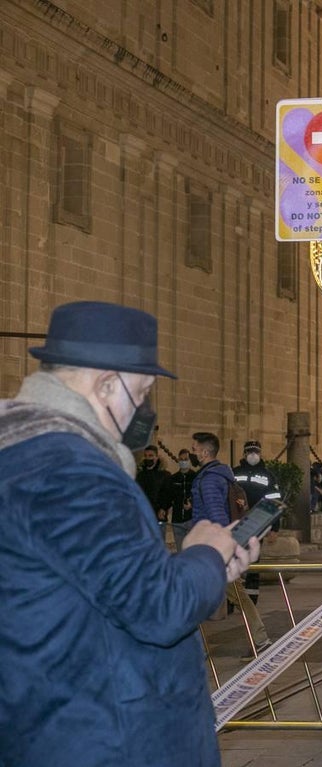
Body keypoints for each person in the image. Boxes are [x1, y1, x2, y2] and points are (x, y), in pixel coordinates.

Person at [0, 300, 259, 766]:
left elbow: (102, 587)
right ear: (105, 384)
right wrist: (204, 554)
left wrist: (206, 566)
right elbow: (156, 608)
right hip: (106, 738)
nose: (145, 410)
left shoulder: (22, 453)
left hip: (55, 720)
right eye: (141, 393)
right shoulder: (72, 471)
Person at [192, 431, 270, 655]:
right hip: (211, 546)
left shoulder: (209, 480)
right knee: (201, 595)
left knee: (234, 593)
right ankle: (196, 647)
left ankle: (260, 639)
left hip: (211, 547)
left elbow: (216, 513)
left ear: (205, 452)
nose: (194, 452)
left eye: (196, 449)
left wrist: (221, 547)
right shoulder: (221, 475)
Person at [233, 439, 282, 605]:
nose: (253, 455)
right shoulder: (235, 472)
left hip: (258, 523)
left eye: (256, 451)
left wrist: (274, 528)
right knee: (235, 560)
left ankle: (251, 599)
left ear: (260, 454)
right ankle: (233, 599)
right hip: (237, 523)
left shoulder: (268, 476)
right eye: (250, 451)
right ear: (244, 453)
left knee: (254, 561)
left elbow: (275, 502)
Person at [160, 447, 198, 551]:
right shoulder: (173, 478)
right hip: (177, 519)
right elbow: (168, 495)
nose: (183, 461)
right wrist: (163, 508)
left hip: (191, 518)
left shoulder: (195, 477)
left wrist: (192, 504)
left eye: (186, 459)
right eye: (181, 459)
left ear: (189, 461)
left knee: (192, 549)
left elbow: (199, 495)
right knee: (180, 549)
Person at [135, 443, 170, 520]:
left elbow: (167, 494)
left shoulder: (165, 475)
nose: (148, 458)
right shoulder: (140, 475)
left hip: (158, 515)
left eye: (151, 455)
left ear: (156, 457)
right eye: (146, 455)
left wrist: (163, 508)